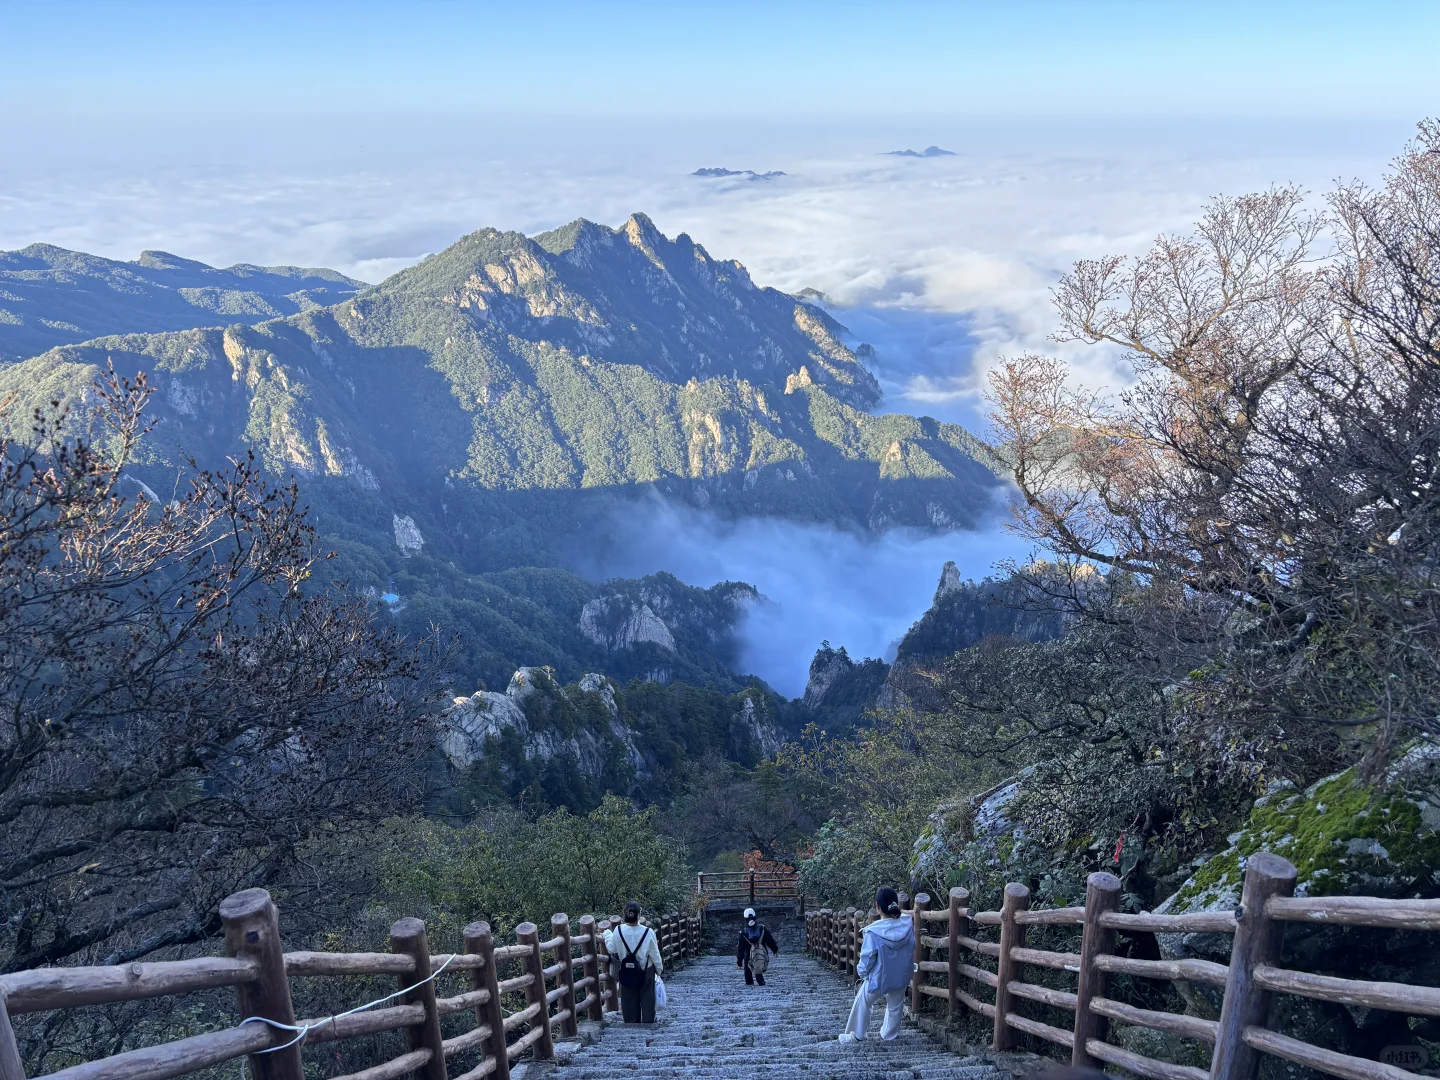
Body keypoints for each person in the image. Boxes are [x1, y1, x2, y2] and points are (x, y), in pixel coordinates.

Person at [838, 887, 914, 1043]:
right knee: (895, 1005)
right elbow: (912, 946)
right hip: (902, 975)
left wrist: (862, 973)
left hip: (880, 978)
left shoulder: (873, 932)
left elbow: (867, 959)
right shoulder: (907, 924)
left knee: (863, 1000)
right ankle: (889, 1035)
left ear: (877, 907)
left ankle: (857, 1034)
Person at [605, 901, 663, 1023]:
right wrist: (659, 969)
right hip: (646, 969)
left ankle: (631, 1022)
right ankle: (648, 1021)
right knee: (648, 997)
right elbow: (654, 954)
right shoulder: (648, 932)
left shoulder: (618, 930)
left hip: (626, 970)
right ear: (639, 914)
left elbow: (611, 948)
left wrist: (607, 934)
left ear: (624, 915)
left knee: (628, 997)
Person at [735, 907, 780, 986]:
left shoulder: (743, 932)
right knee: (758, 964)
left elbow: (740, 949)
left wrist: (739, 962)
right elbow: (770, 941)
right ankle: (761, 982)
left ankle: (749, 983)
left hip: (748, 955)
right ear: (755, 917)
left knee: (747, 968)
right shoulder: (762, 928)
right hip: (761, 952)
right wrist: (775, 950)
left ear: (745, 918)